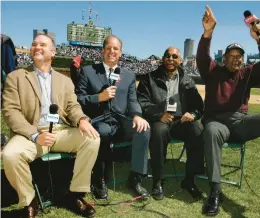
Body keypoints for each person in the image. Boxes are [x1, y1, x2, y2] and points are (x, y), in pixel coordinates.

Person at [2, 33, 100, 218]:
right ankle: (29, 202)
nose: (37, 47)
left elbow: (72, 107)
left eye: (42, 44)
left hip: (60, 131)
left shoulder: (65, 81)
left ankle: (75, 195)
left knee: (92, 139)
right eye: (34, 44)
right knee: (10, 154)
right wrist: (35, 135)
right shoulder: (16, 77)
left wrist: (82, 120)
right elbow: (10, 111)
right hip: (30, 134)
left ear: (53, 52)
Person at [196, 5, 260, 216]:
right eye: (232, 55)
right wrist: (208, 33)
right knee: (212, 131)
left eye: (239, 56)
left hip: (240, 121)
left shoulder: (247, 73)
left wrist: (259, 37)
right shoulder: (214, 71)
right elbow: (203, 57)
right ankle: (215, 191)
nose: (236, 58)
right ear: (224, 58)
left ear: (243, 59)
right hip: (216, 122)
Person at [75, 35, 150, 200]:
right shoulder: (88, 71)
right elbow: (78, 98)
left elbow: (132, 100)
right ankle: (99, 179)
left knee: (144, 130)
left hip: (121, 122)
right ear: (102, 51)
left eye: (115, 49)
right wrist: (98, 97)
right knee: (103, 132)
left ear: (120, 53)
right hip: (99, 120)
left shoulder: (129, 76)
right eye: (108, 48)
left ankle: (136, 178)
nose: (111, 51)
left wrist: (137, 116)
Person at [137, 46, 205, 200]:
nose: (170, 59)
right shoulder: (149, 78)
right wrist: (158, 115)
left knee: (197, 130)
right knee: (159, 132)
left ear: (180, 61)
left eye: (174, 56)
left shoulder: (188, 80)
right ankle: (158, 181)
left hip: (181, 121)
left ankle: (189, 180)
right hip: (160, 119)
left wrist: (193, 114)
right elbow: (141, 102)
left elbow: (198, 106)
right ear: (163, 58)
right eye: (167, 56)